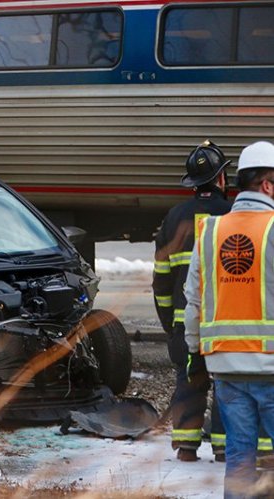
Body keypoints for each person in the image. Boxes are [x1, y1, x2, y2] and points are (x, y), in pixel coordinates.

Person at [185, 140, 274, 498]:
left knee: (238, 457)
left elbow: (193, 300)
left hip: (225, 367)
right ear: (268, 185)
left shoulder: (208, 232)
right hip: (271, 365)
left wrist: (194, 351)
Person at [153, 140, 232, 462]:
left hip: (183, 321)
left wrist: (170, 323)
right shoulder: (231, 215)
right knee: (227, 387)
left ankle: (186, 447)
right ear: (221, 179)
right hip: (225, 321)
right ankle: (225, 448)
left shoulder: (174, 217)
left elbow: (161, 281)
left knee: (188, 381)